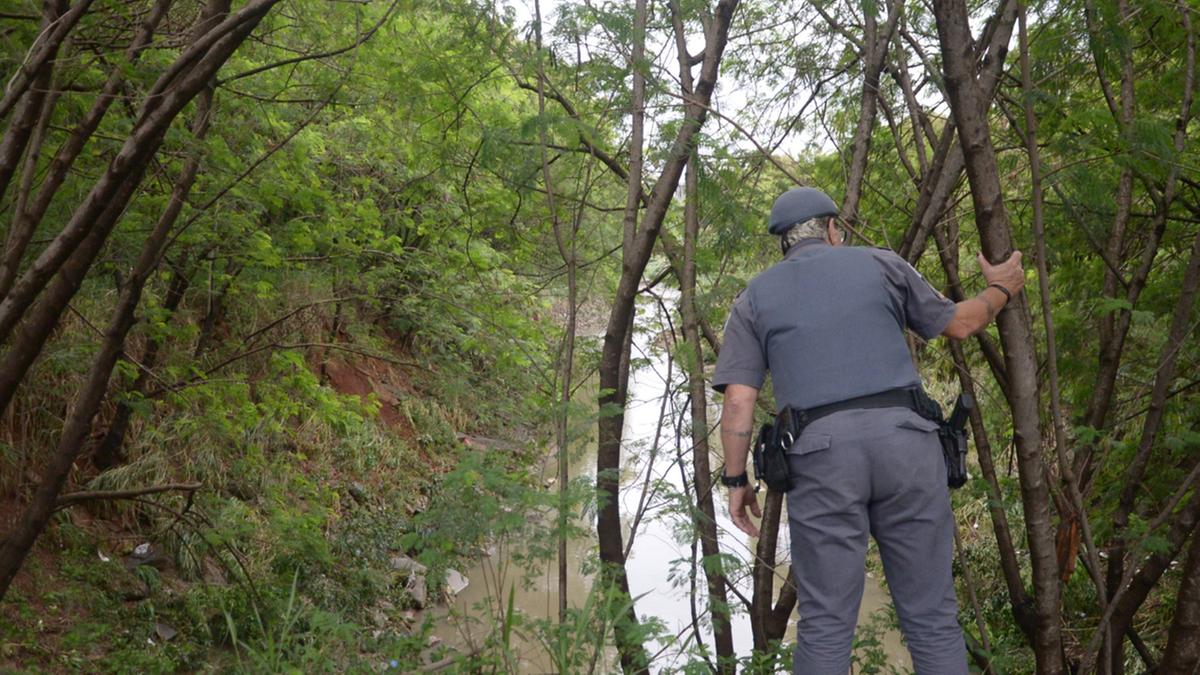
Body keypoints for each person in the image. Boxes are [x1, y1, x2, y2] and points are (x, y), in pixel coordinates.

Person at [712, 186, 1024, 675]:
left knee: (826, 626)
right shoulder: (882, 264)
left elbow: (739, 399)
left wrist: (736, 481)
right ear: (834, 230)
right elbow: (962, 324)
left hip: (821, 459)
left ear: (784, 244)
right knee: (932, 619)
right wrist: (1001, 287)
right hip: (908, 447)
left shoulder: (755, 298)